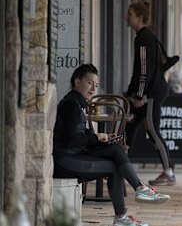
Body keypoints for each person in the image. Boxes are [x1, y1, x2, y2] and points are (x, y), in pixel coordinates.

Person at [53, 64, 170, 226]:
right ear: (77, 82)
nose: (93, 88)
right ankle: (133, 198)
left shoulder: (75, 102)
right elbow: (72, 140)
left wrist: (102, 137)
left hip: (73, 155)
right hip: (65, 160)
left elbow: (79, 134)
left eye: (96, 85)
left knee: (114, 151)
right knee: (115, 162)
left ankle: (129, 205)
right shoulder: (71, 105)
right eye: (89, 83)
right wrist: (96, 138)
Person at [124, 0, 175, 186]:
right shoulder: (143, 37)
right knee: (130, 126)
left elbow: (144, 70)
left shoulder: (144, 38)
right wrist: (132, 92)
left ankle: (169, 171)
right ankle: (120, 165)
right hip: (148, 91)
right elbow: (139, 70)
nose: (126, 18)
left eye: (130, 15)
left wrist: (138, 95)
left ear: (140, 17)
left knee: (152, 129)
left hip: (152, 93)